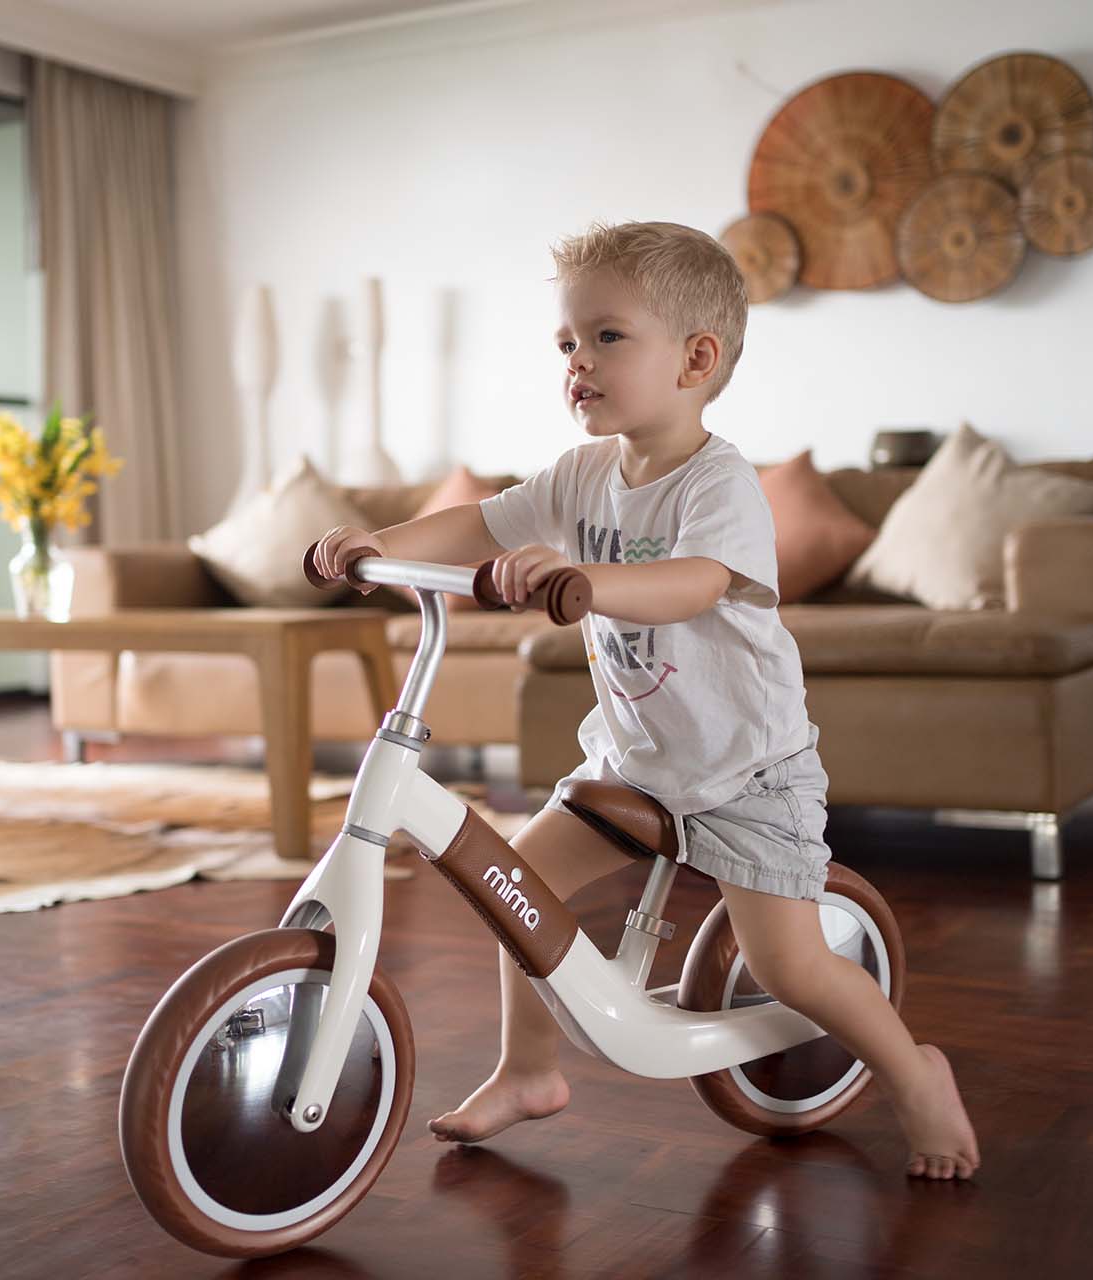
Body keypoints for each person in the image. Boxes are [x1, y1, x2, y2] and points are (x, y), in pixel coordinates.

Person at [312, 220, 979, 1180]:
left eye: (606, 337)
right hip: (636, 760)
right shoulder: (581, 472)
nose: (578, 361)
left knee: (791, 965)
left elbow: (696, 584)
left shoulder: (719, 484)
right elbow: (478, 521)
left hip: (747, 770)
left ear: (696, 359)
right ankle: (526, 1071)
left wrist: (579, 577)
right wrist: (378, 543)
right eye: (566, 343)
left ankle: (918, 1078)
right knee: (518, 893)